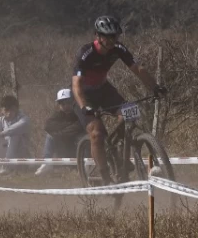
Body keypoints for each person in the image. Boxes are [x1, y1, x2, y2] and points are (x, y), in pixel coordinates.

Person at [71, 15, 167, 184]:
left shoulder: (118, 48)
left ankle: (122, 157)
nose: (111, 40)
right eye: (107, 37)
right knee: (97, 132)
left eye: (114, 36)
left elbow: (138, 68)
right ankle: (105, 175)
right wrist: (84, 106)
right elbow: (77, 84)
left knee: (130, 114)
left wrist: (155, 87)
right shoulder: (85, 53)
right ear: (98, 36)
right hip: (83, 95)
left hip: (104, 90)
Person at [35, 88, 85, 176]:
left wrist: (61, 132)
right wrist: (67, 126)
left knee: (82, 136)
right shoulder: (57, 114)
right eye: (61, 103)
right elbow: (47, 125)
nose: (65, 105)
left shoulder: (79, 113)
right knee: (49, 136)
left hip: (75, 148)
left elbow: (79, 126)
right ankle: (47, 163)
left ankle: (84, 167)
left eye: (68, 102)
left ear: (73, 101)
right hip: (63, 147)